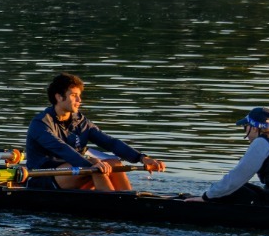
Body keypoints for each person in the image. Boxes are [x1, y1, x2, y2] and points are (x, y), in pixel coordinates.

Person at [23, 72, 165, 191]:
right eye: (74, 95)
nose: (79, 100)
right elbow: (62, 149)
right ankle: (115, 205)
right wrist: (91, 164)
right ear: (59, 97)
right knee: (96, 166)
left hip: (75, 171)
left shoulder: (81, 121)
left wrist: (141, 158)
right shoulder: (40, 124)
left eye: (79, 95)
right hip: (43, 178)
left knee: (115, 164)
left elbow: (110, 143)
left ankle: (129, 200)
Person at [198, 107, 269, 205]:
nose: (245, 132)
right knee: (243, 188)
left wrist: (207, 197)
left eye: (245, 127)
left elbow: (235, 178)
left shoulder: (262, 142)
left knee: (235, 189)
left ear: (254, 127)